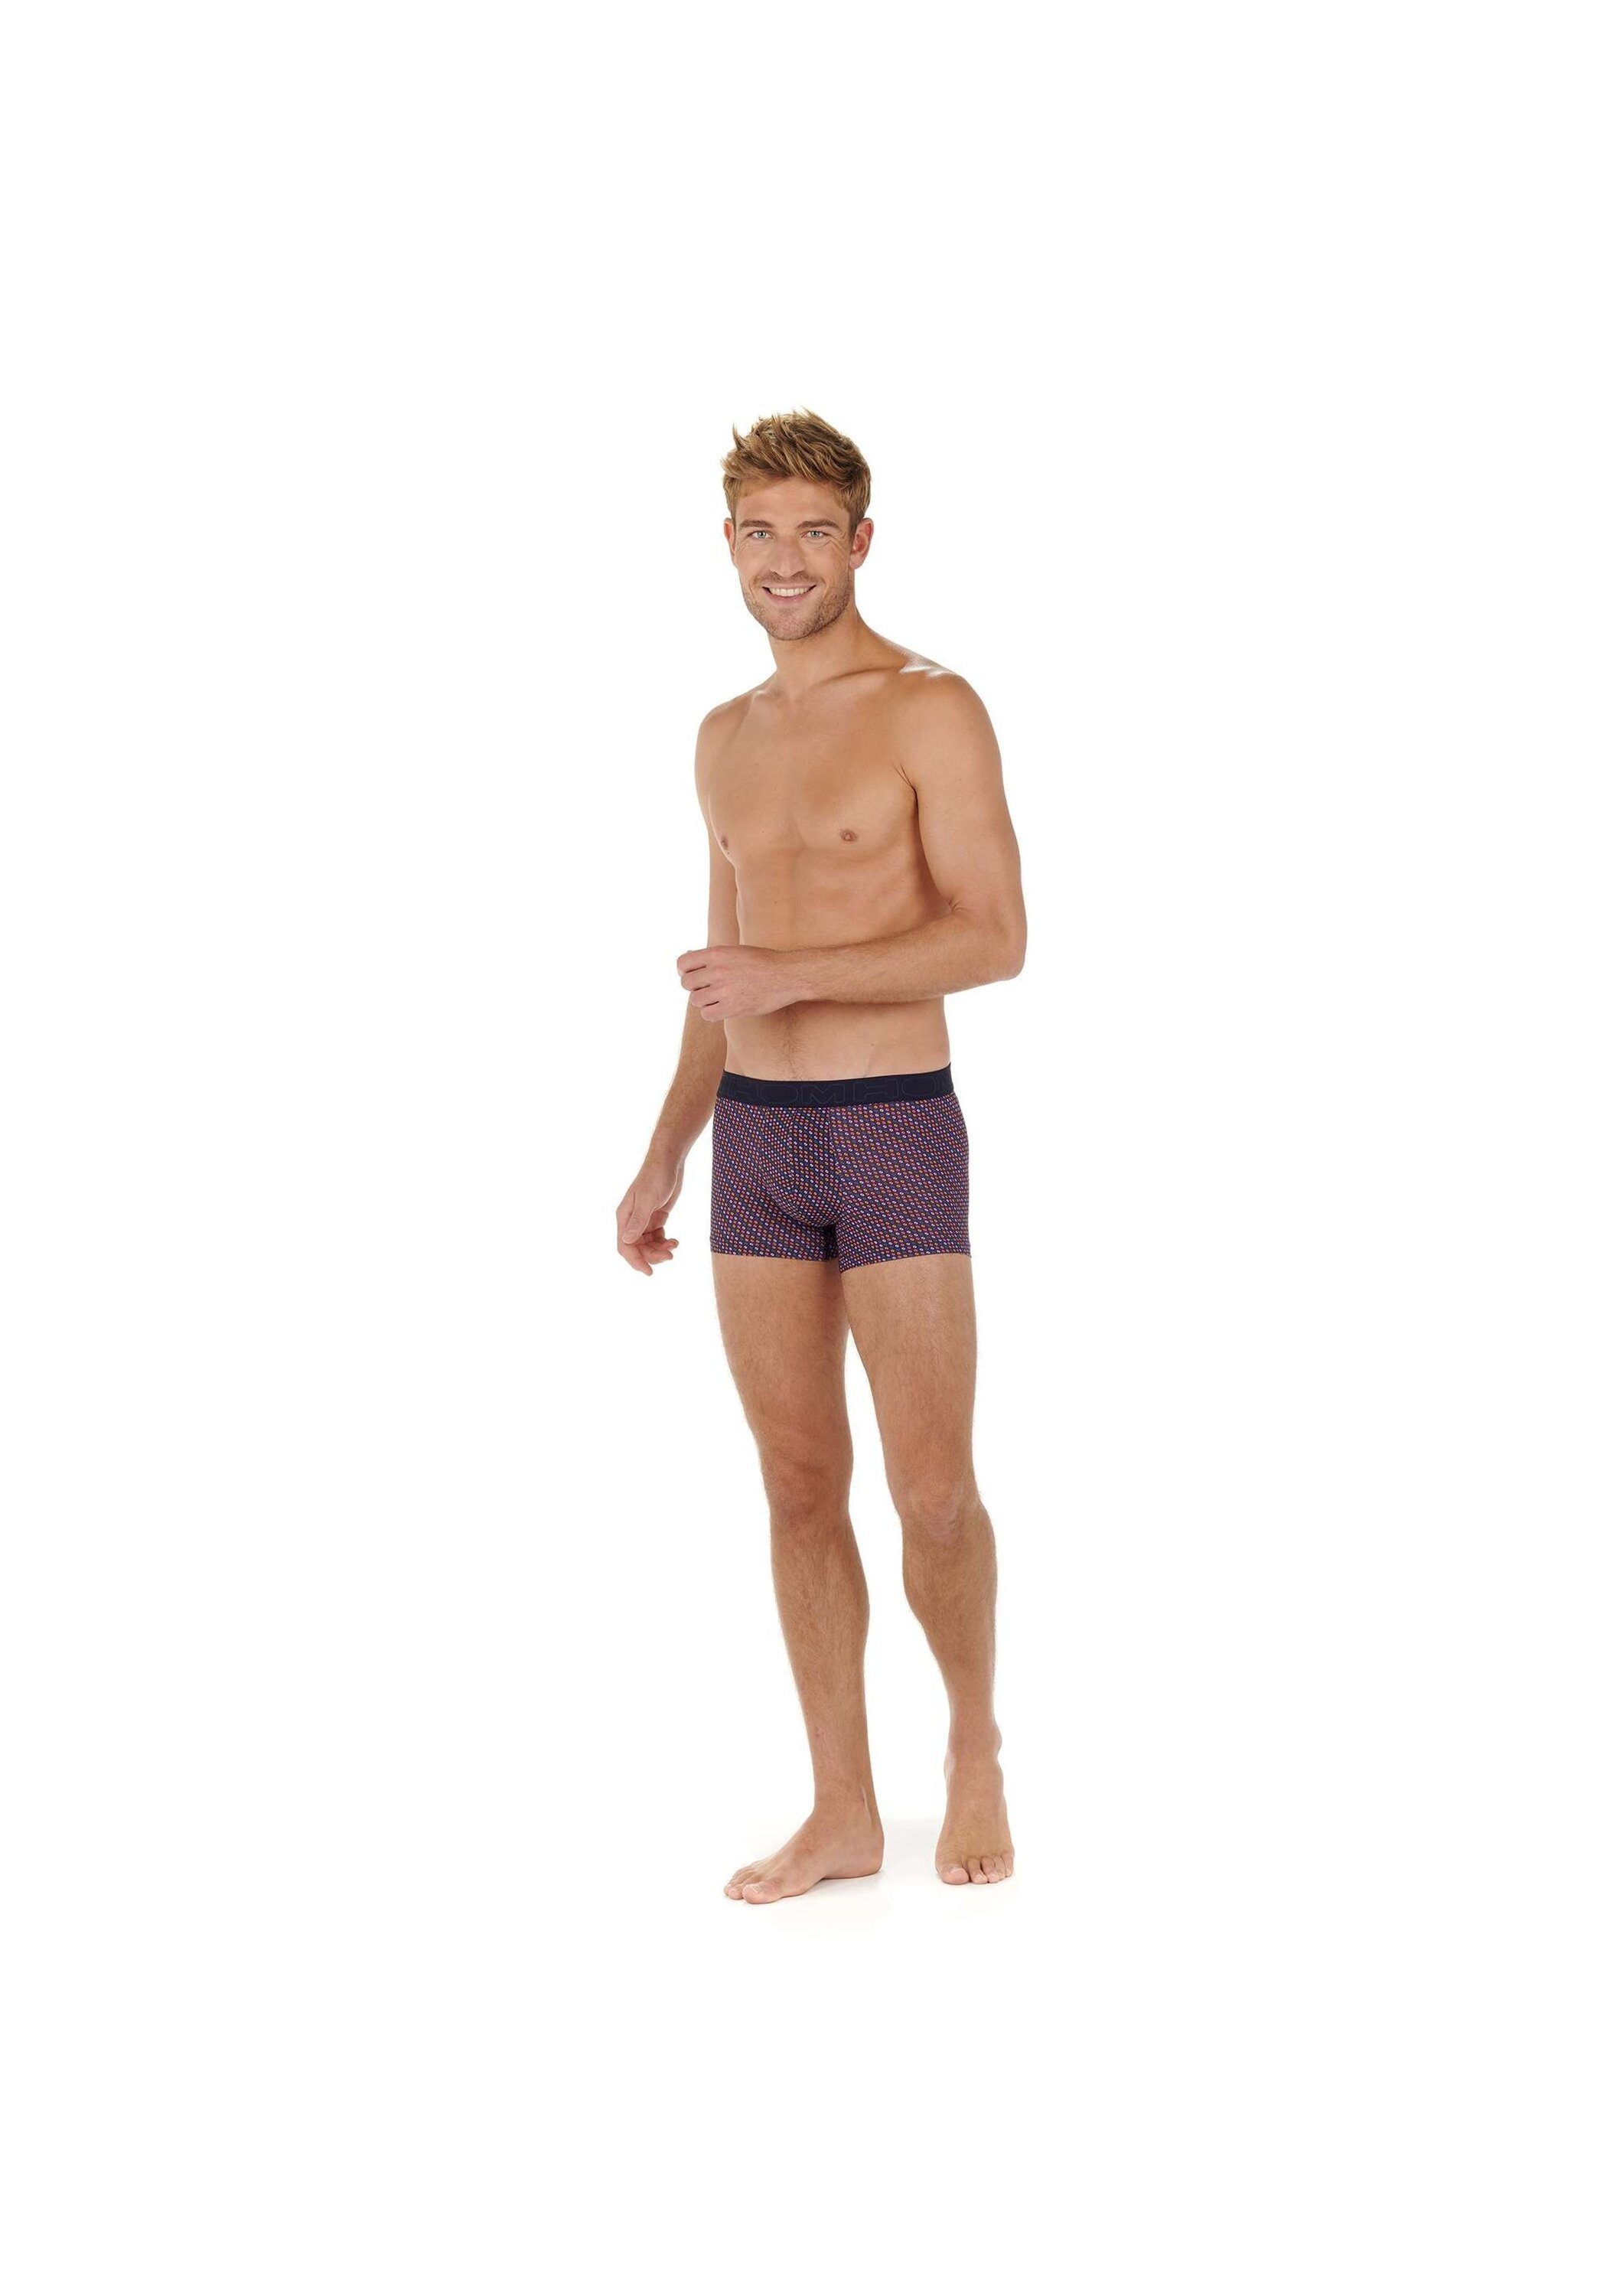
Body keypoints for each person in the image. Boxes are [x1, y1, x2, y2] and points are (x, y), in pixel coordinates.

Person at [615, 409, 1028, 1903]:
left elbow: (996, 935)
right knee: (798, 1488)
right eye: (757, 533)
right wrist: (665, 1150)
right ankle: (842, 1808)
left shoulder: (932, 707)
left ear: (860, 541)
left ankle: (973, 1745)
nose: (783, 560)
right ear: (727, 545)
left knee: (933, 1493)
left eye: (811, 532)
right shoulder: (722, 739)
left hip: (893, 1123)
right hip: (759, 1149)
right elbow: (722, 976)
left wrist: (794, 978)